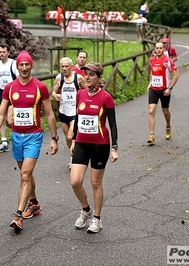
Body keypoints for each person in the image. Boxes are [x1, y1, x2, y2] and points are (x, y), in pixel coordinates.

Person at [0, 51, 59, 231]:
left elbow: (49, 113)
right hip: (16, 137)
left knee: (25, 175)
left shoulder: (40, 87)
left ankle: (18, 216)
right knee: (25, 172)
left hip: (34, 135)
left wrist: (55, 138)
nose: (24, 68)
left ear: (31, 66)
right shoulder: (10, 87)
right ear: (17, 67)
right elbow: (1, 113)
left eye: (27, 64)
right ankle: (33, 203)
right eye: (21, 65)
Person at [69, 62, 119, 234]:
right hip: (82, 143)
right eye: (86, 74)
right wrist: (74, 139)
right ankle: (86, 210)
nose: (87, 78)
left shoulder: (106, 97)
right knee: (75, 181)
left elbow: (112, 124)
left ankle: (97, 218)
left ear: (99, 77)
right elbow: (78, 117)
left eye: (91, 75)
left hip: (100, 144)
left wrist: (114, 147)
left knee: (95, 183)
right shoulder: (80, 94)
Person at [52, 57, 85, 168]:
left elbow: (86, 90)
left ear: (71, 67)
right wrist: (55, 95)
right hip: (63, 111)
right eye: (63, 66)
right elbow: (54, 91)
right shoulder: (59, 78)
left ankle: (74, 158)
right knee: (67, 137)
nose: (65, 68)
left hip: (74, 112)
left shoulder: (78, 78)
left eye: (67, 66)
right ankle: (73, 154)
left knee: (71, 136)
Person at [146, 42, 180, 145]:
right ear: (155, 49)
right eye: (157, 48)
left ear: (164, 49)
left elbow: (177, 74)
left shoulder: (168, 61)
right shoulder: (152, 60)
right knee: (151, 111)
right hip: (154, 89)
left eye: (161, 48)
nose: (159, 50)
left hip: (165, 90)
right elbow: (152, 71)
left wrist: (170, 88)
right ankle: (151, 135)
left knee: (165, 111)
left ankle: (168, 126)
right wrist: (150, 83)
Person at [0, 43, 19, 153]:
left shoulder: (13, 63)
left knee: (10, 119)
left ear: (8, 52)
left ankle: (18, 137)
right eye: (0, 52)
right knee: (1, 117)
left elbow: (18, 79)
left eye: (4, 52)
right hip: (2, 92)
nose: (2, 54)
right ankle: (4, 142)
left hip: (12, 92)